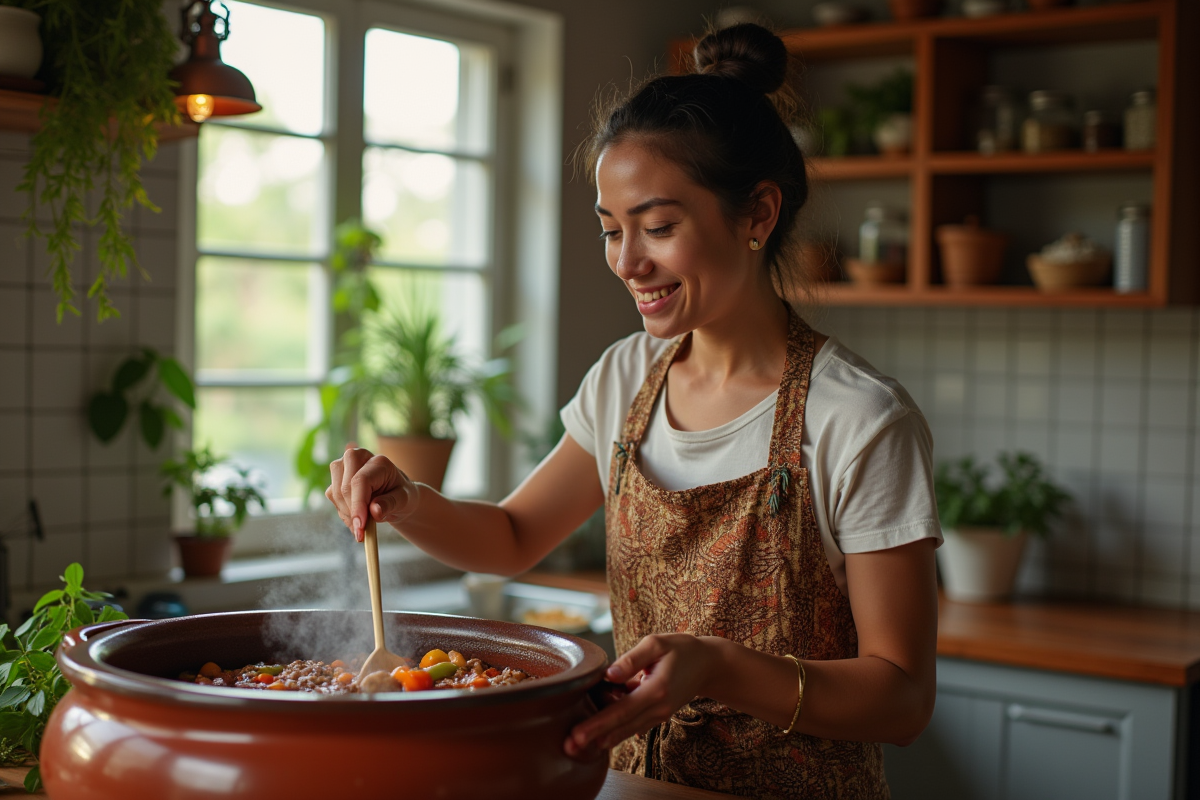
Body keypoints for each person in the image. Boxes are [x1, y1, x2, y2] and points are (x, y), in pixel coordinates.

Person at [326, 22, 939, 798]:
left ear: (757, 215)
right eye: (612, 230)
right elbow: (515, 536)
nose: (627, 261)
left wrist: (720, 666)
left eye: (658, 227)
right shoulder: (626, 378)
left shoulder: (858, 418)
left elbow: (903, 698)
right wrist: (408, 500)